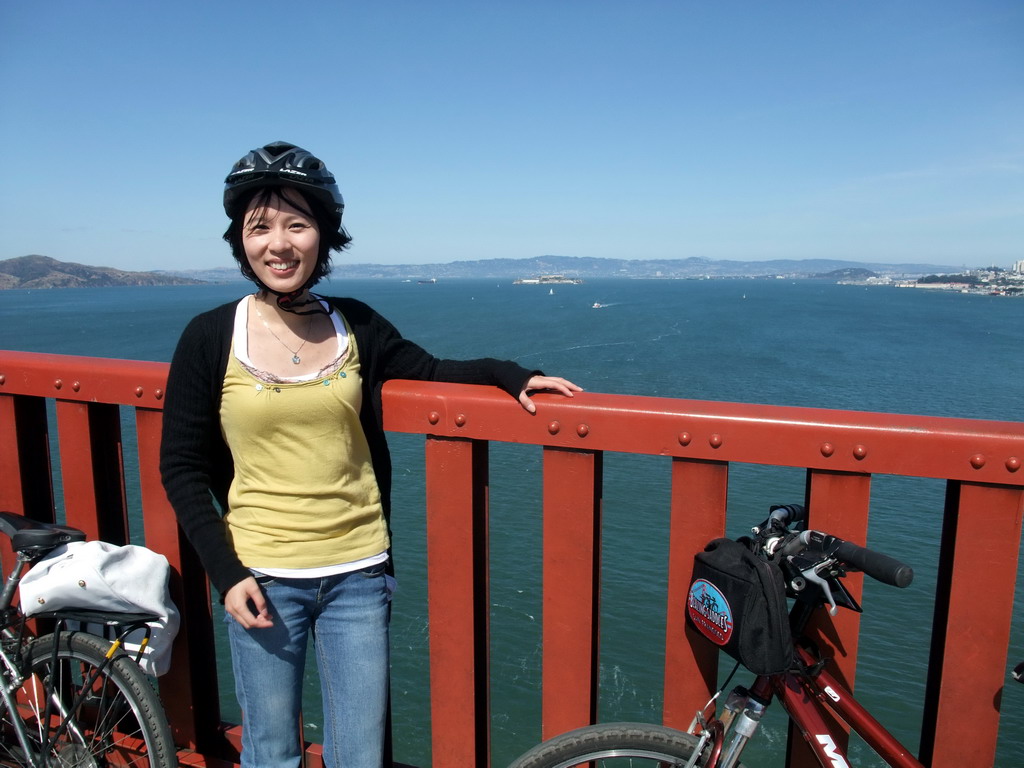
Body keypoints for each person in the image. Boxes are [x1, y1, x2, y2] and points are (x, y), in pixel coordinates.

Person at [159, 141, 581, 768]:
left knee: (360, 756)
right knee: (271, 753)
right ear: (240, 243)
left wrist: (512, 373)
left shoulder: (353, 325)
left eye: (297, 224)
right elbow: (183, 466)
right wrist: (227, 573)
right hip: (261, 575)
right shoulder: (211, 336)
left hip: (358, 572)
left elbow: (434, 369)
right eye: (260, 227)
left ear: (323, 237)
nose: (279, 243)